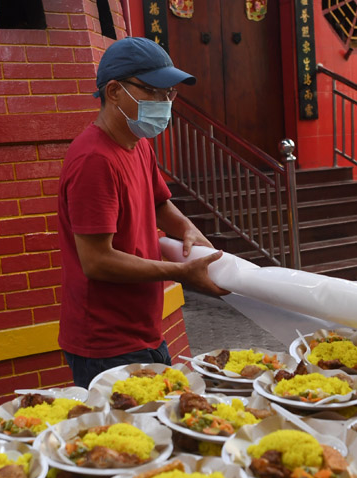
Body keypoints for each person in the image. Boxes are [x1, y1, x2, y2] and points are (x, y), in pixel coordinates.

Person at [57, 36, 230, 389]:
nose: (166, 103)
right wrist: (181, 272)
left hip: (144, 330)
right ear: (116, 92)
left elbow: (158, 202)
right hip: (105, 343)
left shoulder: (138, 145)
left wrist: (186, 229)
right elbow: (96, 260)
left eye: (171, 94)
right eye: (154, 91)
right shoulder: (95, 160)